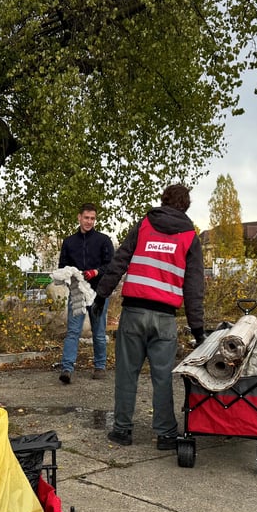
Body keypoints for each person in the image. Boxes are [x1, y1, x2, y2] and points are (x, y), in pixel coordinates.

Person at [92, 184, 205, 450]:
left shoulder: (144, 225)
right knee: (163, 376)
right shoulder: (190, 237)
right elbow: (194, 287)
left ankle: (122, 430)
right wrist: (198, 329)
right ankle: (165, 434)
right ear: (186, 206)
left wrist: (101, 295)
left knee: (126, 373)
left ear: (163, 200)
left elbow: (120, 260)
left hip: (133, 313)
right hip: (165, 318)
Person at [57, 202, 115, 383]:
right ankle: (67, 368)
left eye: (92, 218)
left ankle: (100, 367)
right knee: (73, 331)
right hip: (77, 293)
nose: (89, 221)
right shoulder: (69, 242)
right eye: (86, 218)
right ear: (79, 217)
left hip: (98, 292)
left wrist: (95, 272)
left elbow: (111, 266)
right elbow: (62, 268)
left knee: (98, 331)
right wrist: (69, 276)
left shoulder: (103, 240)